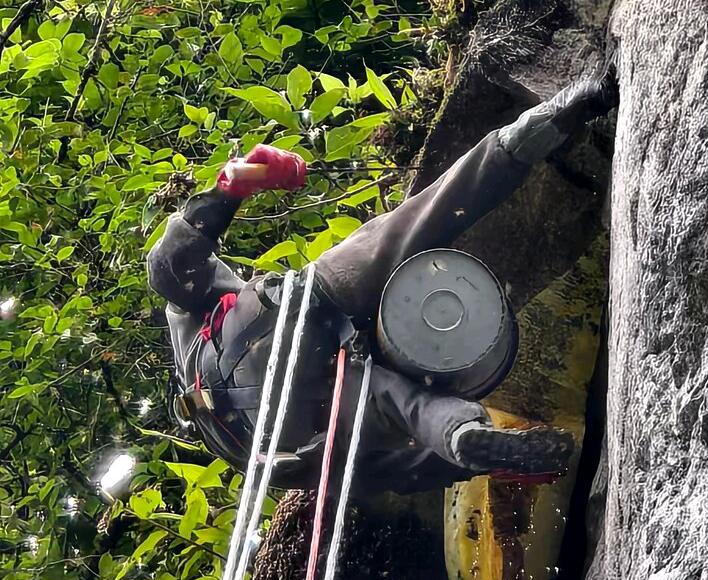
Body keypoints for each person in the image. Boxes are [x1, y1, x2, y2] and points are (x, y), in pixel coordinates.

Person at [148, 69, 616, 494]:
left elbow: (392, 472)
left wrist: (461, 465)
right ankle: (568, 105)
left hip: (293, 432)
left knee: (402, 405)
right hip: (280, 317)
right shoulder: (193, 333)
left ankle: (461, 434)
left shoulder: (244, 451)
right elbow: (167, 264)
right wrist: (238, 180)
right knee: (432, 212)